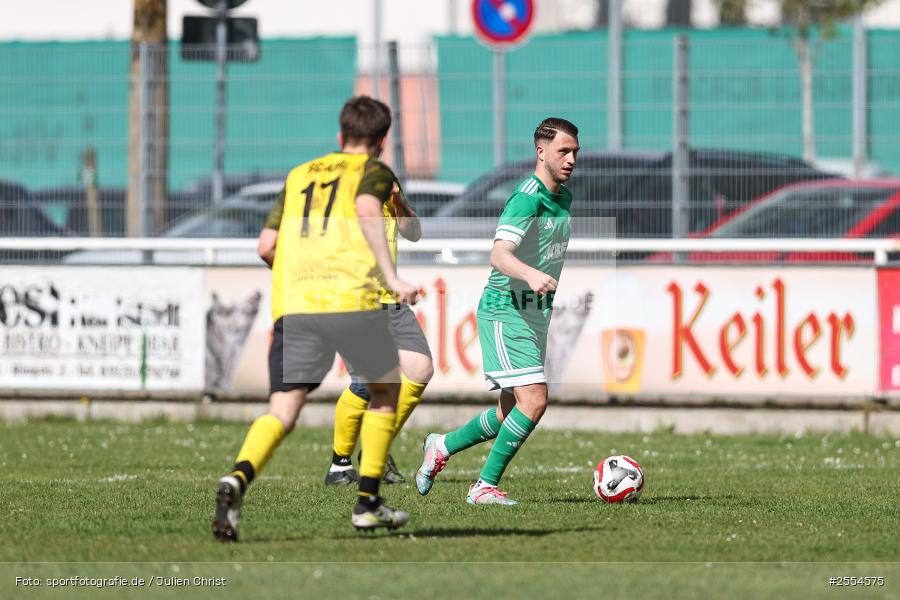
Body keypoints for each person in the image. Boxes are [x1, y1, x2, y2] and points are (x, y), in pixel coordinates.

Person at [212, 96, 419, 541]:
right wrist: (392, 277)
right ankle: (367, 503)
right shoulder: (374, 171)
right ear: (383, 140)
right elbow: (368, 210)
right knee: (386, 391)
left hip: (297, 308)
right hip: (351, 301)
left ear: (340, 135)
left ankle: (237, 477)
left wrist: (301, 278)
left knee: (283, 410)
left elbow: (266, 246)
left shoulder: (298, 175)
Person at [414, 117, 579, 505]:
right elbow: (499, 254)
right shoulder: (526, 198)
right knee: (534, 400)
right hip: (507, 312)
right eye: (563, 151)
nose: (571, 159)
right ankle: (483, 487)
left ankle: (441, 446)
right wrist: (530, 275)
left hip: (533, 315)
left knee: (510, 413)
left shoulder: (562, 198)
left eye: (575, 152)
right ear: (541, 152)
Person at [325, 183, 434, 487]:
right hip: (355, 301)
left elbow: (414, 233)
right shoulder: (344, 187)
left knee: (420, 369)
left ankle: (376, 450)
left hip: (391, 300)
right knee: (366, 383)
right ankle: (339, 465)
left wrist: (399, 204)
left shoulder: (388, 184)